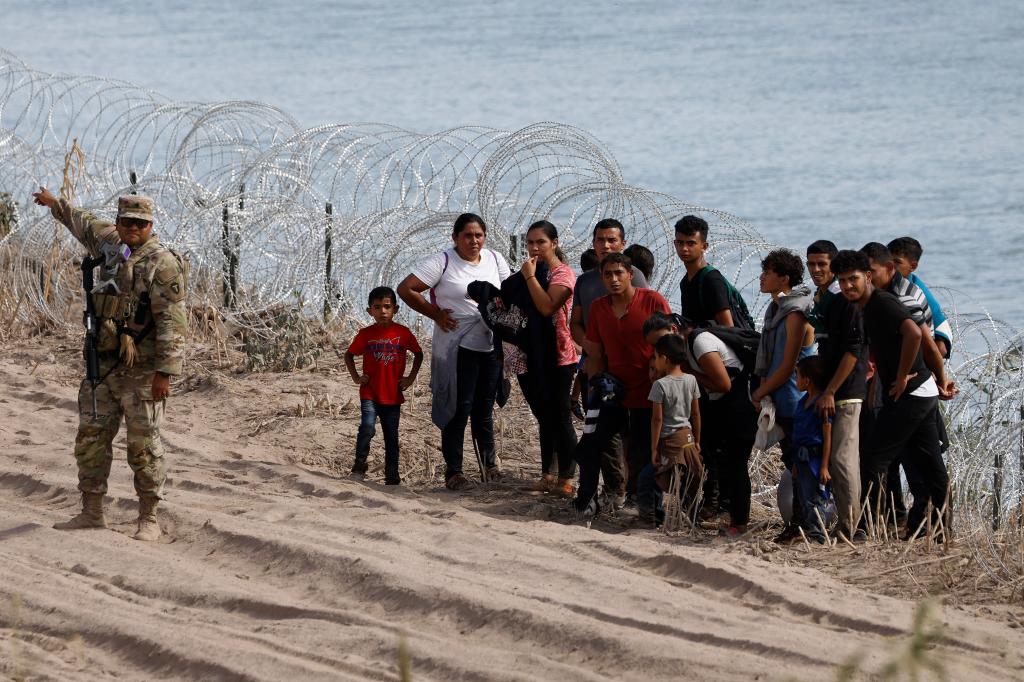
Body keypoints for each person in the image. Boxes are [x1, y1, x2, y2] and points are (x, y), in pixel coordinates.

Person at [33, 187, 187, 542]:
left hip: (143, 369)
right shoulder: (111, 245)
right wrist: (55, 204)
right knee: (91, 437)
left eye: (140, 223)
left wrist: (165, 373)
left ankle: (148, 517)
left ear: (150, 225)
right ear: (118, 222)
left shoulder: (163, 264)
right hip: (102, 364)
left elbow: (172, 324)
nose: (132, 228)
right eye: (126, 221)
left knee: (144, 444)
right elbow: (82, 222)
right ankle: (91, 511)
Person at [831, 250, 949, 540]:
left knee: (873, 459)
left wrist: (900, 375)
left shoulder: (882, 303)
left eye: (853, 279)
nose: (848, 286)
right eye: (843, 281)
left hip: (913, 392)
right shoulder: (866, 306)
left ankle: (865, 529)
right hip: (918, 391)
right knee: (931, 465)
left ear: (868, 277)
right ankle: (940, 531)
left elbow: (915, 334)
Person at [397, 213, 511, 491]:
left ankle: (489, 466)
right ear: (455, 237)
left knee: (484, 408)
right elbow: (407, 289)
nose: (474, 241)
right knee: (458, 408)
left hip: (489, 345)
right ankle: (454, 471)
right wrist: (435, 314)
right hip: (458, 347)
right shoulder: (443, 262)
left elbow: (510, 294)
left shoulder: (495, 259)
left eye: (479, 235)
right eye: (468, 235)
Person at [643, 313, 758, 536]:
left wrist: (688, 373)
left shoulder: (700, 343)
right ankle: (726, 514)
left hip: (740, 404)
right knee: (720, 459)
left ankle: (739, 522)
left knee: (735, 463)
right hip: (728, 405)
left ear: (674, 331)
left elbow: (723, 384)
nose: (660, 350)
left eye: (659, 342)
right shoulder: (687, 353)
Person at [569, 219, 648, 504]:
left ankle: (637, 493)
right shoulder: (586, 281)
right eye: (600, 240)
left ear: (622, 244)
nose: (606, 245)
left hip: (632, 369)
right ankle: (613, 490)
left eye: (612, 240)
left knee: (635, 433)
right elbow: (575, 322)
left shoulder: (634, 275)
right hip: (597, 367)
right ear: (593, 244)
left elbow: (644, 316)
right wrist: (586, 342)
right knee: (602, 432)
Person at [583, 253, 670, 497]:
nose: (614, 279)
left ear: (630, 275)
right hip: (615, 392)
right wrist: (594, 389)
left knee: (644, 451)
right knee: (594, 444)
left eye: (619, 273)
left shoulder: (652, 301)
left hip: (649, 392)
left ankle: (642, 503)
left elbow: (670, 345)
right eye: (608, 274)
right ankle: (593, 497)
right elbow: (595, 353)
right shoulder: (599, 308)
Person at [805, 240, 868, 541]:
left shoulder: (845, 303)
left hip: (848, 388)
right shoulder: (824, 298)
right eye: (811, 264)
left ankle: (853, 526)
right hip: (832, 388)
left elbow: (853, 351)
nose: (816, 270)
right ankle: (846, 523)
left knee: (843, 460)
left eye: (822, 264)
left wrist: (830, 390)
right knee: (842, 459)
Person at [517, 221, 579, 495]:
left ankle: (568, 476)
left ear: (554, 243)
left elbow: (546, 307)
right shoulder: (531, 272)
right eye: (530, 242)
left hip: (559, 355)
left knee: (560, 414)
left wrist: (529, 277)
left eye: (540, 242)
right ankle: (548, 473)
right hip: (531, 354)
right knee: (543, 414)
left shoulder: (562, 274)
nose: (534, 247)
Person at [344, 286, 423, 485]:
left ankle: (392, 475)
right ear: (369, 310)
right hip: (370, 392)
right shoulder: (365, 334)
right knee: (367, 427)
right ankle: (360, 465)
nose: (383, 311)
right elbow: (349, 355)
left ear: (395, 309)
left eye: (387, 307)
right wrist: (356, 378)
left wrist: (410, 379)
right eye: (377, 307)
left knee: (391, 437)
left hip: (392, 394)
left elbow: (418, 354)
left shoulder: (403, 333)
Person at [637, 334, 701, 525]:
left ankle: (650, 518)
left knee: (646, 479)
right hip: (688, 440)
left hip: (670, 442)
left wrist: (654, 448)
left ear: (665, 358)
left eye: (656, 357)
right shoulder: (691, 380)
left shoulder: (660, 385)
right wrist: (697, 440)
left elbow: (657, 419)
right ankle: (692, 517)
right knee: (685, 482)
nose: (655, 362)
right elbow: (696, 414)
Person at [784, 356, 834, 544]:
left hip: (815, 458)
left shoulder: (821, 404)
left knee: (815, 498)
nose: (796, 380)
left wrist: (824, 466)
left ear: (807, 380)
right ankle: (810, 531)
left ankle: (817, 535)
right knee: (805, 497)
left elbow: (827, 435)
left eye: (797, 376)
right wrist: (796, 463)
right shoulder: (803, 402)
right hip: (801, 457)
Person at [674, 215, 755, 329]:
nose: (684, 248)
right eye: (680, 243)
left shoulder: (712, 280)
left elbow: (728, 328)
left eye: (691, 243)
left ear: (704, 246)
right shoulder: (686, 281)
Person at [887, 237, 953, 358]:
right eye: (888, 260)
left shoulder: (917, 290)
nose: (890, 266)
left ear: (913, 266)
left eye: (897, 262)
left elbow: (940, 348)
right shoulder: (886, 284)